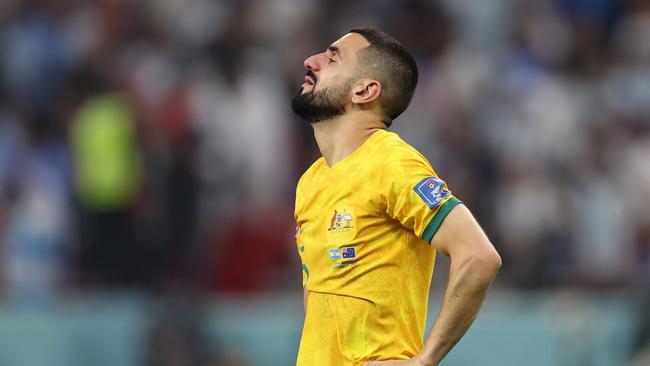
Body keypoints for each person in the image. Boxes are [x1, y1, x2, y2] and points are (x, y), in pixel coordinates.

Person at [291, 28, 502, 366]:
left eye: (332, 58)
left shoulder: (392, 163)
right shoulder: (310, 182)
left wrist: (424, 360)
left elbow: (479, 256)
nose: (311, 61)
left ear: (364, 90)